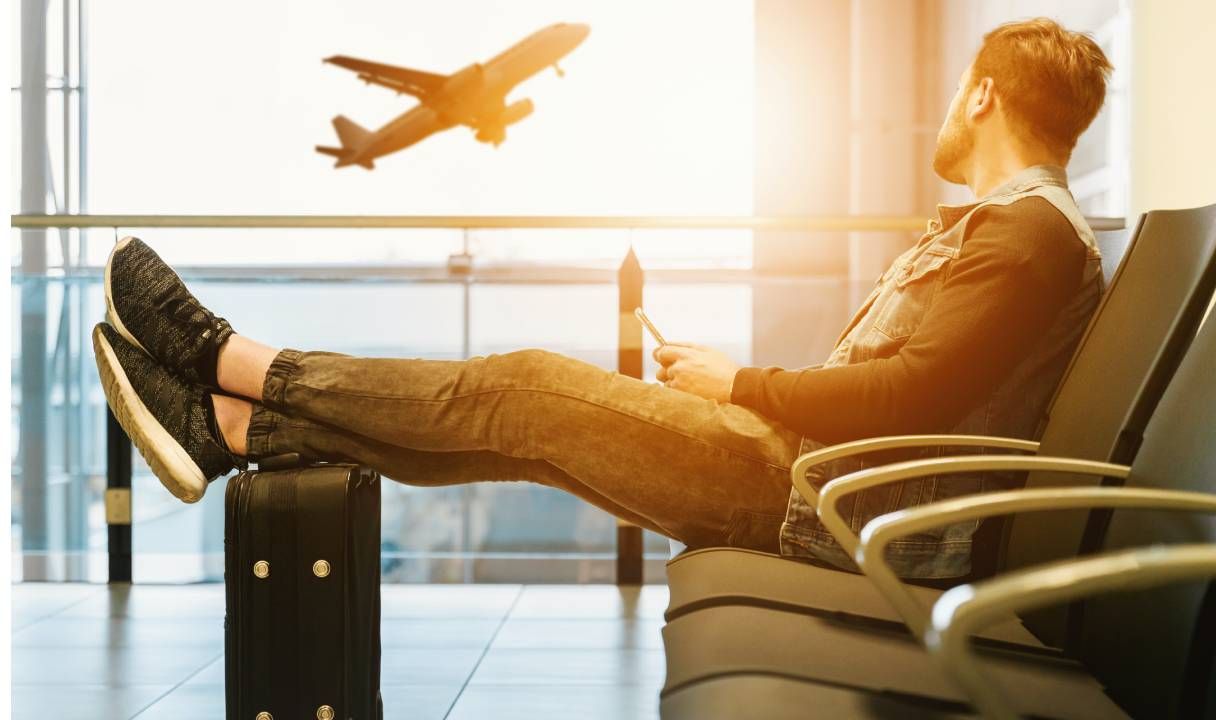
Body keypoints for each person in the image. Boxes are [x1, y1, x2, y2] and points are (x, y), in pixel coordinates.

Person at [93, 17, 1112, 580]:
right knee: (521, 433)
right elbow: (911, 393)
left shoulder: (1024, 236)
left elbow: (910, 399)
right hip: (815, 486)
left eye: (953, 94)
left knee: (522, 387)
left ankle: (226, 359)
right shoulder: (1013, 233)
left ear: (980, 94)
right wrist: (741, 389)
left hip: (819, 506)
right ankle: (231, 429)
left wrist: (741, 382)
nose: (943, 111)